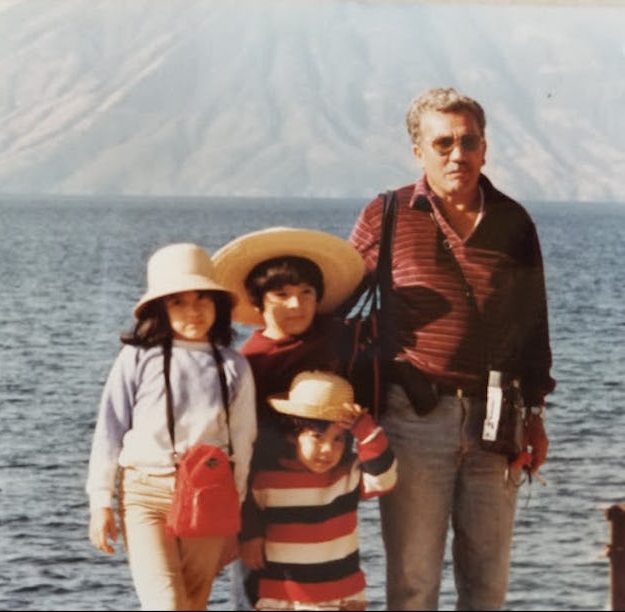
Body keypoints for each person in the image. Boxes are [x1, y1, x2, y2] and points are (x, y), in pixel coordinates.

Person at [347, 86, 556, 610]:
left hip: (497, 421)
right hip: (413, 419)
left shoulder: (514, 222)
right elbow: (336, 297)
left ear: (485, 148)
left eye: (469, 141)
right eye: (443, 144)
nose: (457, 154)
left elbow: (534, 326)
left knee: (487, 587)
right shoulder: (387, 214)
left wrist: (535, 414)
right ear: (418, 151)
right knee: (414, 585)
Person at [85, 242, 257, 611]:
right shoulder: (136, 357)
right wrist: (101, 502)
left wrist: (235, 513)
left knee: (193, 603)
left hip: (209, 493)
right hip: (145, 495)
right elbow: (109, 431)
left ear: (217, 304)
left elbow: (243, 442)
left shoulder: (233, 365)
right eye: (178, 301)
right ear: (160, 309)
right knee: (166, 604)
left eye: (202, 299)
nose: (192, 311)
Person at [212, 227, 367, 609]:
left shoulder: (335, 342)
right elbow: (237, 451)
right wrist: (248, 529)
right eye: (281, 295)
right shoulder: (250, 364)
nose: (296, 305)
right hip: (266, 505)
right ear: (258, 302)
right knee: (259, 596)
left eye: (306, 294)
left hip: (326, 503)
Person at [241, 370, 397, 611]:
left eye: (339, 439)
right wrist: (250, 535)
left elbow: (384, 477)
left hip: (343, 596)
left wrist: (364, 429)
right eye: (317, 437)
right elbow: (243, 506)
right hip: (282, 598)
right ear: (294, 435)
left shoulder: (347, 476)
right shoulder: (266, 479)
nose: (328, 449)